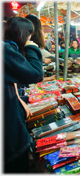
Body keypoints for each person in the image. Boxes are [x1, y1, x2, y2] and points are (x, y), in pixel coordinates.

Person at [4, 17, 43, 173]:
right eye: (29, 35)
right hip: (9, 135)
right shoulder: (4, 49)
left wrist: (19, 100)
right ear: (24, 34)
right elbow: (35, 74)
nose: (30, 38)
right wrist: (32, 48)